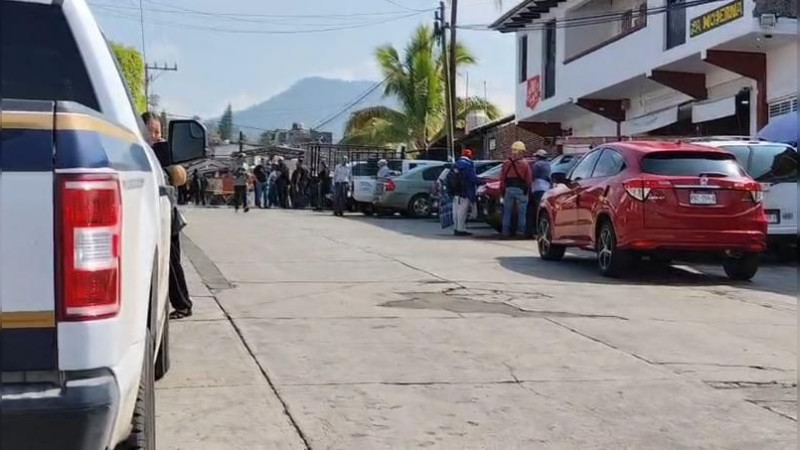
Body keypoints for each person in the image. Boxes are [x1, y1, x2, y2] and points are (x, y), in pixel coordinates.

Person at [141, 112, 192, 319]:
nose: (155, 136)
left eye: (158, 132)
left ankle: (183, 304)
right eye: (151, 132)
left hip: (167, 214)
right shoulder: (138, 153)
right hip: (152, 214)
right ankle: (180, 303)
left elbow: (180, 177)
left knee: (172, 262)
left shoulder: (164, 153)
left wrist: (168, 166)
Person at [500, 141, 533, 238]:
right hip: (521, 189)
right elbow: (529, 179)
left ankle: (505, 232)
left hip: (509, 189)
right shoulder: (524, 164)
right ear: (521, 152)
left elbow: (502, 178)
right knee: (522, 212)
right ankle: (520, 232)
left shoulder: (506, 163)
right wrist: (528, 190)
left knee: (507, 211)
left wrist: (502, 190)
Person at [451, 149, 483, 236]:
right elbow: (472, 179)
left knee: (456, 211)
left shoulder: (455, 165)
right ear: (470, 156)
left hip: (455, 191)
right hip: (465, 191)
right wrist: (483, 181)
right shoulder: (468, 165)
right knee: (462, 211)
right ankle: (461, 229)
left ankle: (456, 228)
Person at [529, 149, 552, 236]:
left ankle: (537, 230)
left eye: (536, 156)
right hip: (546, 188)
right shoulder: (548, 164)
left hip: (538, 188)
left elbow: (532, 177)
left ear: (538, 157)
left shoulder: (536, 165)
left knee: (537, 210)